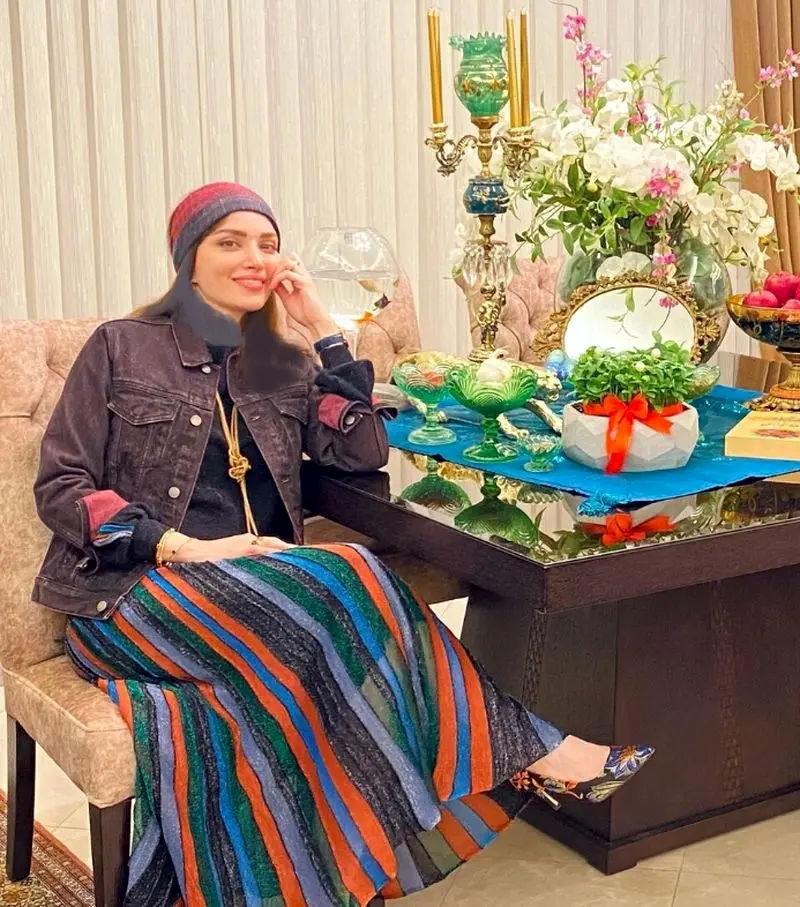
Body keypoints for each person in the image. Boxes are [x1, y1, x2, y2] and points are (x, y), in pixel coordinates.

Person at [33, 182, 653, 907]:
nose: (255, 257)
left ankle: (329, 869)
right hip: (130, 596)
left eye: (267, 244)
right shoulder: (122, 347)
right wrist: (184, 548)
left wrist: (323, 330)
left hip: (268, 597)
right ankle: (531, 751)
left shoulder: (284, 363)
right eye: (230, 242)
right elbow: (62, 487)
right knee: (352, 570)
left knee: (336, 642)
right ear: (188, 261)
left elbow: (362, 450)